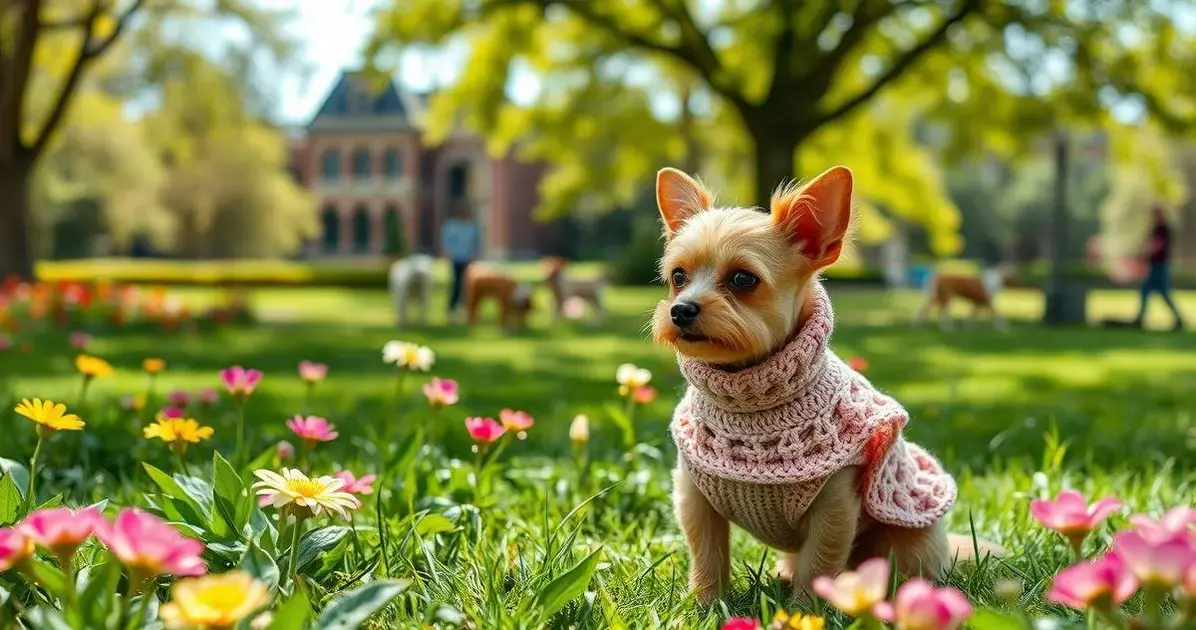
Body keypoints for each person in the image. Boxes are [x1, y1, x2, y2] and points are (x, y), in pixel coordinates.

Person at [1133, 204, 1185, 331]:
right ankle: (1140, 318)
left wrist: (1143, 255)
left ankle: (1178, 319)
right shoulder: (1157, 228)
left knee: (1162, 292)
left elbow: (1157, 245)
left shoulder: (1162, 228)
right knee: (1147, 290)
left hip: (1160, 265)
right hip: (1156, 264)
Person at [440, 205, 480, 319]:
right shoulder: (451, 226)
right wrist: (447, 252)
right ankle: (453, 307)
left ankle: (466, 307)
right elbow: (446, 241)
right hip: (456, 259)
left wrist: (474, 254)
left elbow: (476, 242)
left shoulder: (471, 227)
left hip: (467, 259)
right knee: (456, 283)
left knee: (467, 284)